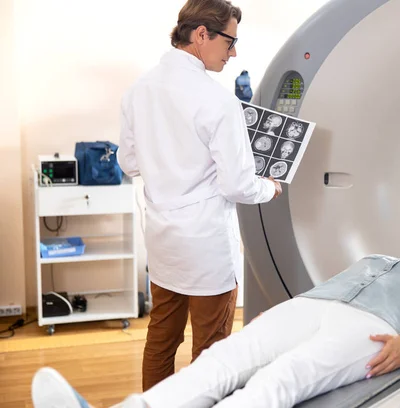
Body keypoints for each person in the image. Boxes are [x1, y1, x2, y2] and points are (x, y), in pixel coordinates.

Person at [31, 240, 400, 408]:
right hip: (312, 305)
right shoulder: (381, 257)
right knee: (222, 358)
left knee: (282, 379)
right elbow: (332, 282)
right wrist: (290, 307)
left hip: (373, 327)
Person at [116, 0, 282, 393]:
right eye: (230, 41)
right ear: (201, 34)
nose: (234, 52)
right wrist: (270, 187)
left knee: (161, 340)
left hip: (163, 240)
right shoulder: (219, 101)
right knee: (212, 352)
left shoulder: (138, 91)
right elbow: (238, 185)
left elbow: (128, 163)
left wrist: (168, 165)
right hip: (206, 245)